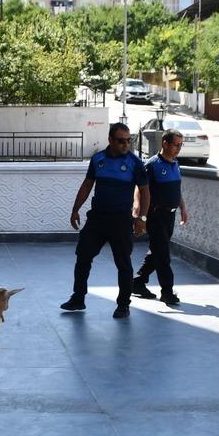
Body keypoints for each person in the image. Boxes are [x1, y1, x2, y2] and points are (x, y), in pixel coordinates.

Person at [61, 122, 150, 319]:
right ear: (110, 140)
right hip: (98, 218)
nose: (125, 144)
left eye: (129, 140)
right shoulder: (98, 159)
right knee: (83, 257)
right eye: (121, 141)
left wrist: (141, 218)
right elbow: (87, 185)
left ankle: (123, 304)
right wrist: (75, 209)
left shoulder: (135, 163)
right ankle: (78, 298)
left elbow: (145, 192)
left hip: (121, 220)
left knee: (123, 263)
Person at [133, 129, 189, 304]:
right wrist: (138, 213)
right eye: (176, 145)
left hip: (170, 216)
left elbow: (176, 190)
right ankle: (167, 292)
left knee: (157, 251)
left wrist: (183, 207)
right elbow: (139, 188)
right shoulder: (152, 164)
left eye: (181, 145)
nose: (179, 148)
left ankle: (138, 282)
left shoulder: (175, 163)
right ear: (165, 143)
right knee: (163, 255)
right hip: (155, 215)